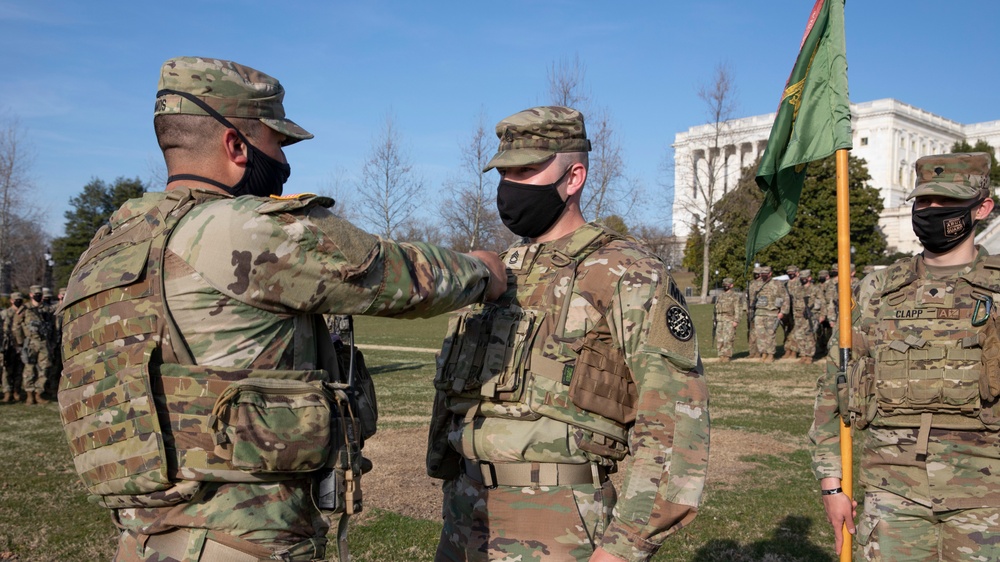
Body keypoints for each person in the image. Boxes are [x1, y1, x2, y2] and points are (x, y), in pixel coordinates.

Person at [57, 56, 507, 561]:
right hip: (241, 541)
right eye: (277, 141)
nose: (284, 159)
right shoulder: (236, 229)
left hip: (143, 541)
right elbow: (394, 277)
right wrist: (482, 271)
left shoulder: (105, 253)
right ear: (236, 144)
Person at [427, 106, 709, 562]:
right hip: (465, 513)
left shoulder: (628, 272)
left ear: (573, 177)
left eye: (526, 171)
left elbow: (676, 426)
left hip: (558, 522)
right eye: (504, 173)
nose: (510, 187)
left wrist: (623, 548)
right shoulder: (500, 270)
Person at [810, 152, 1000, 560]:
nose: (930, 212)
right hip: (892, 494)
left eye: (946, 204)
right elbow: (832, 388)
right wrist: (831, 484)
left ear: (982, 208)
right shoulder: (877, 290)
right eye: (923, 202)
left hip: (987, 497)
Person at [14, 285, 52, 405]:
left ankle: (38, 394)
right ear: (30, 295)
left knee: (44, 369)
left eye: (39, 293)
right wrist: (20, 342)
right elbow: (16, 326)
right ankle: (29, 395)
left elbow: (54, 326)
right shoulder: (24, 309)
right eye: (35, 293)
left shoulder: (47, 309)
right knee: (29, 369)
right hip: (30, 343)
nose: (38, 295)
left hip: (44, 343)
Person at [751, 266, 788, 363]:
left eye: (765, 274)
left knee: (770, 335)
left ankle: (770, 354)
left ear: (770, 273)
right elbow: (752, 299)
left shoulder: (777, 284)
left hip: (772, 313)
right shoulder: (757, 285)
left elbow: (786, 298)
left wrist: (783, 312)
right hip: (759, 313)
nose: (763, 276)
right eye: (762, 274)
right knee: (760, 335)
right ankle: (763, 353)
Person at [789, 269, 821, 364]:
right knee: (799, 336)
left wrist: (821, 315)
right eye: (801, 278)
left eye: (805, 278)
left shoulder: (815, 289)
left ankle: (809, 356)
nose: (803, 280)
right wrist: (795, 315)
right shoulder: (798, 289)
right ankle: (803, 355)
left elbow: (821, 302)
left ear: (809, 278)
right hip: (799, 317)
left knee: (809, 336)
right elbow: (794, 303)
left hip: (811, 316)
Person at [0, 292, 24, 403]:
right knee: (7, 370)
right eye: (16, 299)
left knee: (19, 370)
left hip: (21, 345)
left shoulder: (25, 313)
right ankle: (7, 393)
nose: (18, 301)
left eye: (20, 299)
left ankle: (16, 392)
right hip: (8, 346)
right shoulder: (4, 313)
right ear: (11, 300)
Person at [714, 277, 742, 362]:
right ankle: (721, 354)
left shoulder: (735, 296)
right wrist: (714, 319)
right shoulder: (720, 295)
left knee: (728, 338)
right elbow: (715, 308)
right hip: (720, 319)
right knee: (719, 338)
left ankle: (727, 355)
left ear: (731, 285)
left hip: (730, 319)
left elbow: (738, 309)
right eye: (724, 285)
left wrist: (736, 320)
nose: (725, 286)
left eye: (727, 285)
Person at [783, 265, 801, 360]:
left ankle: (794, 351)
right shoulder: (785, 284)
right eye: (789, 273)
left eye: (792, 273)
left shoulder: (800, 284)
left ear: (797, 273)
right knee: (788, 331)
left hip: (797, 311)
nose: (790, 275)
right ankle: (787, 350)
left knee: (796, 331)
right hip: (787, 311)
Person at [747, 266, 765, 359]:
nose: (755, 275)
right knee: (751, 332)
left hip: (759, 310)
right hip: (750, 310)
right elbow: (748, 297)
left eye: (757, 273)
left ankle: (759, 352)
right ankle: (752, 352)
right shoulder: (751, 284)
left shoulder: (763, 284)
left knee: (759, 332)